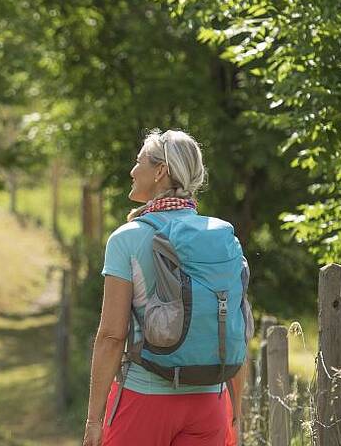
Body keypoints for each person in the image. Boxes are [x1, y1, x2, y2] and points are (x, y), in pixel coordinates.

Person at [82, 130, 245, 446]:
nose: (132, 171)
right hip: (210, 403)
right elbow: (235, 326)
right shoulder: (223, 238)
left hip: (144, 399)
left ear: (160, 172)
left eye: (138, 161)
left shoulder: (127, 238)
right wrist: (236, 410)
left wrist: (93, 420)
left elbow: (112, 336)